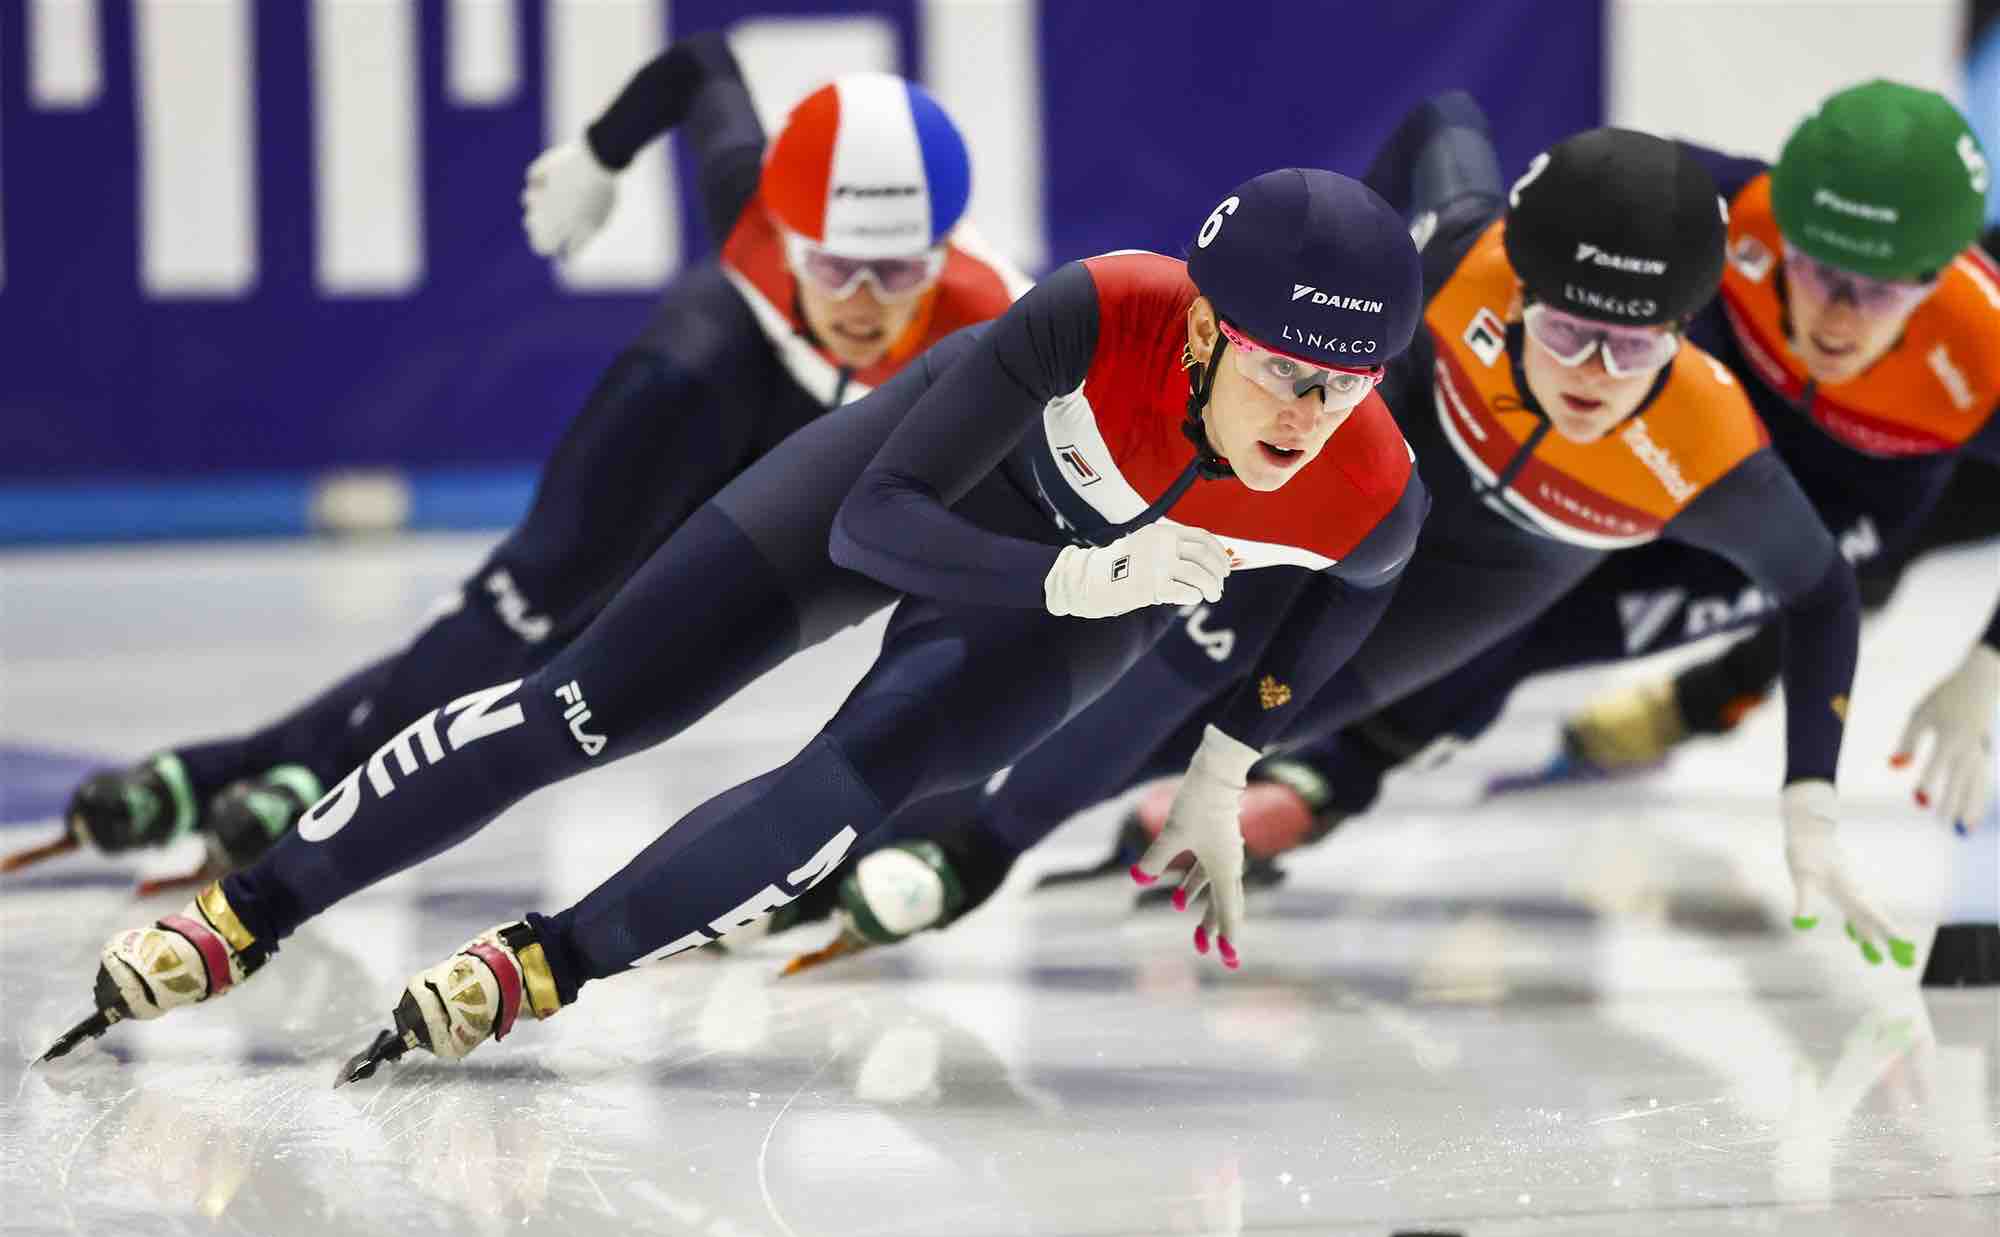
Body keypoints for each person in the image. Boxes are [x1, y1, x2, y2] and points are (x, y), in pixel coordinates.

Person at [46, 167, 1431, 1071]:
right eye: (1282, 370)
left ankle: (548, 960)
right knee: (584, 705)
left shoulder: (1371, 488)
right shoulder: (1101, 312)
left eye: (1348, 381)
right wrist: (1068, 577)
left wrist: (1225, 763)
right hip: (934, 496)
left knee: (854, 786)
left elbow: (1334, 620)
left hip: (1077, 607)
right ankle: (260, 903)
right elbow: (875, 525)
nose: (1308, 416)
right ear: (1201, 332)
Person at [794, 93, 1904, 972]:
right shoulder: (1464, 248)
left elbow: (1818, 594)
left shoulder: (1708, 450)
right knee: (1192, 646)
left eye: (1632, 352)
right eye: (1565, 332)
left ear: (1680, 338)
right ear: (1515, 293)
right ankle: (956, 843)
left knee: (1261, 721)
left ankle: (999, 832)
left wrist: (1807, 799)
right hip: (1375, 480)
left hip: (1500, 572)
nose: (1589, 378)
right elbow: (1441, 115)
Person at [7, 33, 1022, 891]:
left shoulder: (996, 323)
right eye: (835, 264)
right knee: (535, 602)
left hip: (830, 431)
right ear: (786, 233)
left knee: (606, 650)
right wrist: (597, 157)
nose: (863, 301)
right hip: (722, 367)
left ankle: (223, 774)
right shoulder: (749, 214)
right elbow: (700, 67)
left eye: (900, 271)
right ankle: (295, 782)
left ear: (943, 251)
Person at [1103, 80, 2000, 906]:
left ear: (1935, 277)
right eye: (1811, 268)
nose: (1835, 316)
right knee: (1509, 562)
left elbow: (1817, 591)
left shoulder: (1981, 343)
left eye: (1875, 293)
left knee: (1547, 628)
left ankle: (1335, 778)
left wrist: (1988, 660)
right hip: (1647, 426)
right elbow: (1547, 212)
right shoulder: (1720, 207)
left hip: (1842, 506)